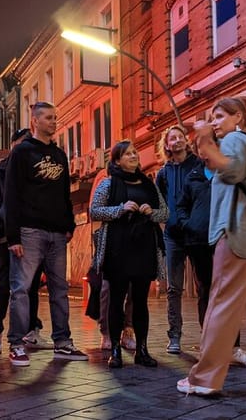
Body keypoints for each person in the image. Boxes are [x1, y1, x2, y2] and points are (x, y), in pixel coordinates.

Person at [177, 97, 246, 396]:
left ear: (238, 117)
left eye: (218, 116)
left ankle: (204, 380)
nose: (214, 122)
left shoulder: (235, 139)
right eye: (212, 118)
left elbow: (229, 169)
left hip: (239, 235)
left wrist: (203, 137)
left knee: (222, 308)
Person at [5, 101, 87, 366]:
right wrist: (14, 236)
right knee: (21, 289)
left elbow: (64, 194)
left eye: (55, 118)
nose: (54, 122)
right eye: (49, 118)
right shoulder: (22, 153)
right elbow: (12, 195)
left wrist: (69, 225)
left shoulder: (60, 155)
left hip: (56, 233)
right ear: (35, 122)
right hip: (29, 231)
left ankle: (62, 342)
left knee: (59, 289)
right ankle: (17, 343)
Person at [175, 133, 246, 368]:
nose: (203, 151)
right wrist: (188, 224)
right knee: (206, 292)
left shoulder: (229, 171)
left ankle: (234, 346)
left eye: (207, 145)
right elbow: (181, 205)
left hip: (226, 239)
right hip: (199, 242)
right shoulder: (194, 176)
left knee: (229, 293)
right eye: (199, 147)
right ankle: (209, 344)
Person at [90, 140, 168, 368]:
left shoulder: (148, 185)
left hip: (144, 247)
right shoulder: (108, 184)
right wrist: (119, 209)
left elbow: (165, 213)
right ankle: (115, 349)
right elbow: (94, 210)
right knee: (116, 299)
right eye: (128, 154)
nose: (134, 156)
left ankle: (142, 350)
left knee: (141, 301)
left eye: (135, 153)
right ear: (117, 160)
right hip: (118, 247)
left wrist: (151, 212)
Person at [0, 128, 52, 355]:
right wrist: (3, 233)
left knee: (30, 288)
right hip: (6, 240)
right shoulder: (0, 171)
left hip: (33, 238)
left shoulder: (37, 171)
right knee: (2, 287)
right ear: (13, 146)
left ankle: (31, 331)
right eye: (23, 144)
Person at [156, 125, 202, 354]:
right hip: (173, 236)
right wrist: (166, 222)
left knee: (205, 286)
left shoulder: (198, 165)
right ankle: (174, 336)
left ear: (186, 140)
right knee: (174, 288)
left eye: (180, 137)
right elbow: (160, 202)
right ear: (166, 145)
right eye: (171, 138)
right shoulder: (163, 173)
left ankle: (210, 335)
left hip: (197, 234)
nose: (176, 141)